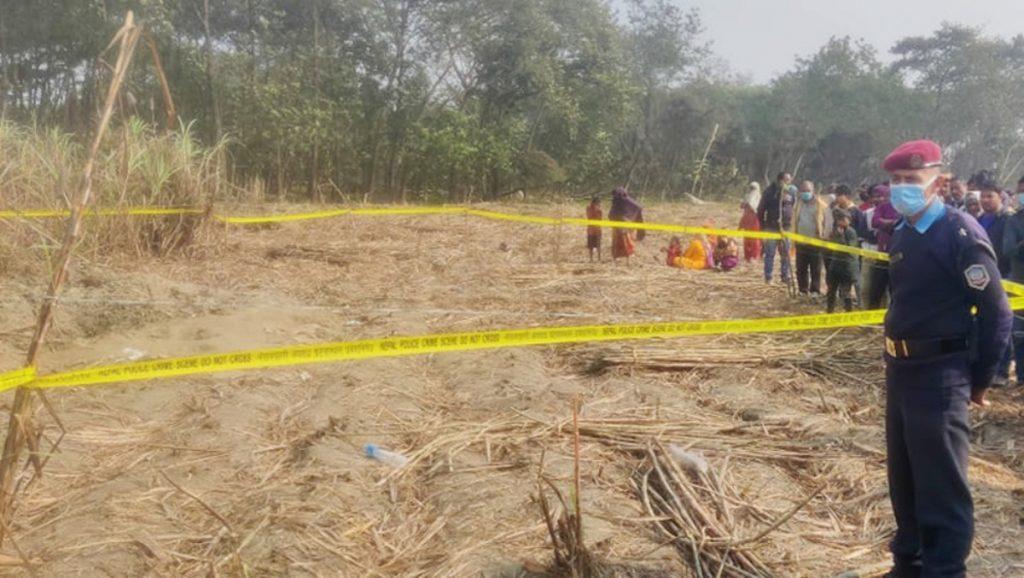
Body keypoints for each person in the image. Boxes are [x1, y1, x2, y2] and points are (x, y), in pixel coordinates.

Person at [880, 140, 1011, 578]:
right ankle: (909, 564)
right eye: (896, 180)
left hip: (940, 376)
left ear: (937, 183)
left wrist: (979, 380)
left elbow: (997, 313)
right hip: (901, 372)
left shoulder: (959, 233)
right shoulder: (903, 231)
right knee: (905, 480)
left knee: (941, 487)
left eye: (911, 180)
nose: (901, 187)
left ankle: (945, 571)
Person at [1001, 176, 1024, 385]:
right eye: (1021, 192)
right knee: (1019, 333)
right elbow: (1008, 250)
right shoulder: (1013, 221)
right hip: (1019, 282)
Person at [792, 180, 832, 295]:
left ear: (813, 191)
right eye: (803, 191)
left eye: (808, 190)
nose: (805, 193)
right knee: (801, 268)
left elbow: (827, 222)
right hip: (800, 242)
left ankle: (815, 290)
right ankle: (802, 290)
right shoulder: (798, 204)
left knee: (816, 268)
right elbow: (794, 221)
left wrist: (824, 236)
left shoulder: (821, 205)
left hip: (816, 242)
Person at [756, 172, 794, 284]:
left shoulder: (791, 192)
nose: (789, 183)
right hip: (771, 227)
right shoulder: (769, 192)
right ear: (780, 180)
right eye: (787, 180)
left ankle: (785, 276)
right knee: (770, 253)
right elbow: (760, 210)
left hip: (786, 228)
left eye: (789, 180)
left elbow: (793, 206)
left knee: (785, 253)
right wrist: (763, 227)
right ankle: (768, 277)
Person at [974, 171, 1011, 277]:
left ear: (1000, 196)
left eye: (990, 196)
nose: (985, 200)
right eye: (982, 196)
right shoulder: (977, 221)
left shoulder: (1008, 220)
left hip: (1003, 275)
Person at [870, 185, 898, 309]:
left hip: (899, 256)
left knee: (896, 290)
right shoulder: (883, 207)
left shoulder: (905, 208)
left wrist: (888, 223)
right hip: (882, 254)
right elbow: (875, 221)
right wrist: (892, 223)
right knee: (876, 288)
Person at [826, 210, 858, 313]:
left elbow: (849, 249)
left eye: (844, 219)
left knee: (846, 292)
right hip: (835, 265)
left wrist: (841, 236)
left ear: (849, 220)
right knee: (831, 290)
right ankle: (830, 311)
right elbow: (831, 244)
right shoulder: (836, 230)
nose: (841, 221)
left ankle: (848, 312)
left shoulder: (851, 232)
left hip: (847, 266)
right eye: (839, 219)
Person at [609, 187, 644, 264]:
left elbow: (637, 207)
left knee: (625, 242)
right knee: (619, 242)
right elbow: (612, 213)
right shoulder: (616, 201)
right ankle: (618, 259)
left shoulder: (623, 200)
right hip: (619, 225)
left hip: (623, 226)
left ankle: (626, 260)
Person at [739, 182, 762, 261]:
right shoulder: (747, 196)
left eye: (754, 188)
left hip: (754, 218)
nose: (752, 189)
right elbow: (742, 206)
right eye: (751, 187)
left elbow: (755, 207)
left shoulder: (758, 196)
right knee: (748, 237)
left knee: (754, 237)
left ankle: (754, 255)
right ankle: (748, 256)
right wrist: (746, 204)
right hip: (748, 218)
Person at [586, 196, 602, 262]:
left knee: (598, 245)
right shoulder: (589, 208)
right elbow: (589, 216)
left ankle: (598, 258)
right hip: (592, 230)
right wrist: (596, 210)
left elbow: (600, 218)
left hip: (597, 230)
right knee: (591, 246)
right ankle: (591, 259)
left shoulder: (599, 210)